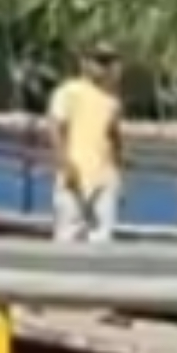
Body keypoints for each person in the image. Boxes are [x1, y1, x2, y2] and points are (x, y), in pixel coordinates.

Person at [45, 46, 127, 243]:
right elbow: (55, 128)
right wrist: (64, 163)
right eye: (99, 61)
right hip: (74, 173)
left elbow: (114, 137)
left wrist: (119, 176)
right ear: (84, 63)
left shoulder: (112, 101)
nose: (104, 67)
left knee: (104, 235)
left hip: (104, 177)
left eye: (108, 62)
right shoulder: (68, 92)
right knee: (68, 233)